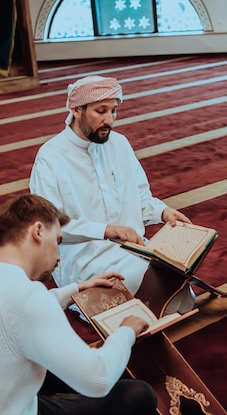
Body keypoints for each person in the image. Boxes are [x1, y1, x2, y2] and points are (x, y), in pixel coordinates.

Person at [0, 194, 158, 415]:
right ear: (38, 231)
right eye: (58, 241)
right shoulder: (26, 296)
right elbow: (98, 379)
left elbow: (10, 314)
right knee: (138, 395)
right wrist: (127, 330)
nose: (59, 255)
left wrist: (76, 289)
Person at [29, 75, 195, 314]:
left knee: (182, 294)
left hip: (133, 250)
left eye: (114, 111)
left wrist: (164, 212)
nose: (109, 120)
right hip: (85, 261)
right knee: (150, 294)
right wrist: (106, 230)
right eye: (101, 111)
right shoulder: (50, 158)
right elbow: (50, 226)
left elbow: (141, 198)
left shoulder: (119, 144)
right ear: (76, 109)